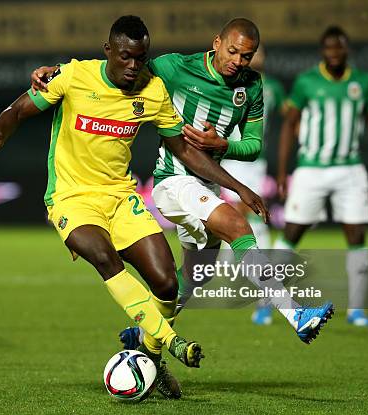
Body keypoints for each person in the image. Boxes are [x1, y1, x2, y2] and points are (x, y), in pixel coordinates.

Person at [0, 15, 272, 399]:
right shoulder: (73, 76)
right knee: (104, 256)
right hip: (72, 197)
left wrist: (238, 187)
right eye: (125, 57)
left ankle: (148, 355)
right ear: (108, 52)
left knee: (167, 281)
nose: (133, 66)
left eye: (140, 58)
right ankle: (172, 342)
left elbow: (185, 149)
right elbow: (18, 110)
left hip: (121, 197)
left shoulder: (152, 91)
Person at [32, 19, 334, 350]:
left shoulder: (252, 86)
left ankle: (146, 334)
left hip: (208, 186)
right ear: (217, 42)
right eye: (232, 51)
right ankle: (297, 315)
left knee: (195, 276)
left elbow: (253, 145)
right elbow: (121, 63)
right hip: (174, 181)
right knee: (236, 226)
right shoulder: (175, 67)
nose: (237, 61)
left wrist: (223, 146)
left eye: (246, 56)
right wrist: (57, 72)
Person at [274, 25, 368, 327]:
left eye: (339, 48)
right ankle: (270, 301)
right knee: (292, 233)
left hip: (349, 168)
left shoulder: (363, 82)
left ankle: (357, 309)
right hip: (311, 168)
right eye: (329, 48)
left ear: (347, 50)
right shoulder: (306, 82)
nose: (334, 53)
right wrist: (281, 170)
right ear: (322, 51)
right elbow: (289, 127)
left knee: (357, 236)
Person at [218, 45, 289, 325]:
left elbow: (290, 115)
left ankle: (260, 276)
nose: (254, 58)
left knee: (253, 214)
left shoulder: (272, 87)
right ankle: (229, 264)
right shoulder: (230, 81)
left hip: (255, 160)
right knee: (230, 212)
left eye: (258, 54)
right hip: (229, 157)